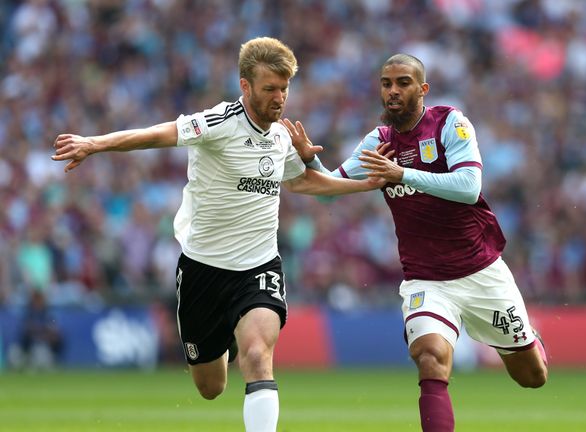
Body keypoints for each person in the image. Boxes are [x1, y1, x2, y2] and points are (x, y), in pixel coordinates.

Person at [51, 37, 385, 432]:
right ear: (245, 86)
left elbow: (306, 182)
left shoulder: (282, 137)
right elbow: (159, 134)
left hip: (259, 267)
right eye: (269, 89)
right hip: (203, 271)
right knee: (211, 386)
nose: (279, 98)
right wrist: (95, 143)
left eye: (284, 89)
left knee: (258, 356)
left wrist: (366, 185)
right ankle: (224, 338)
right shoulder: (219, 122)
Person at [281, 53, 548, 431]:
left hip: (480, 270)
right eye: (386, 83)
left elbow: (470, 188)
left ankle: (529, 339)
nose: (393, 91)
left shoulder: (449, 124)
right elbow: (330, 191)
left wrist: (402, 173)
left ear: (422, 89)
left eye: (403, 83)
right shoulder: (379, 141)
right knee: (430, 357)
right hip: (426, 278)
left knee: (531, 376)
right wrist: (310, 164)